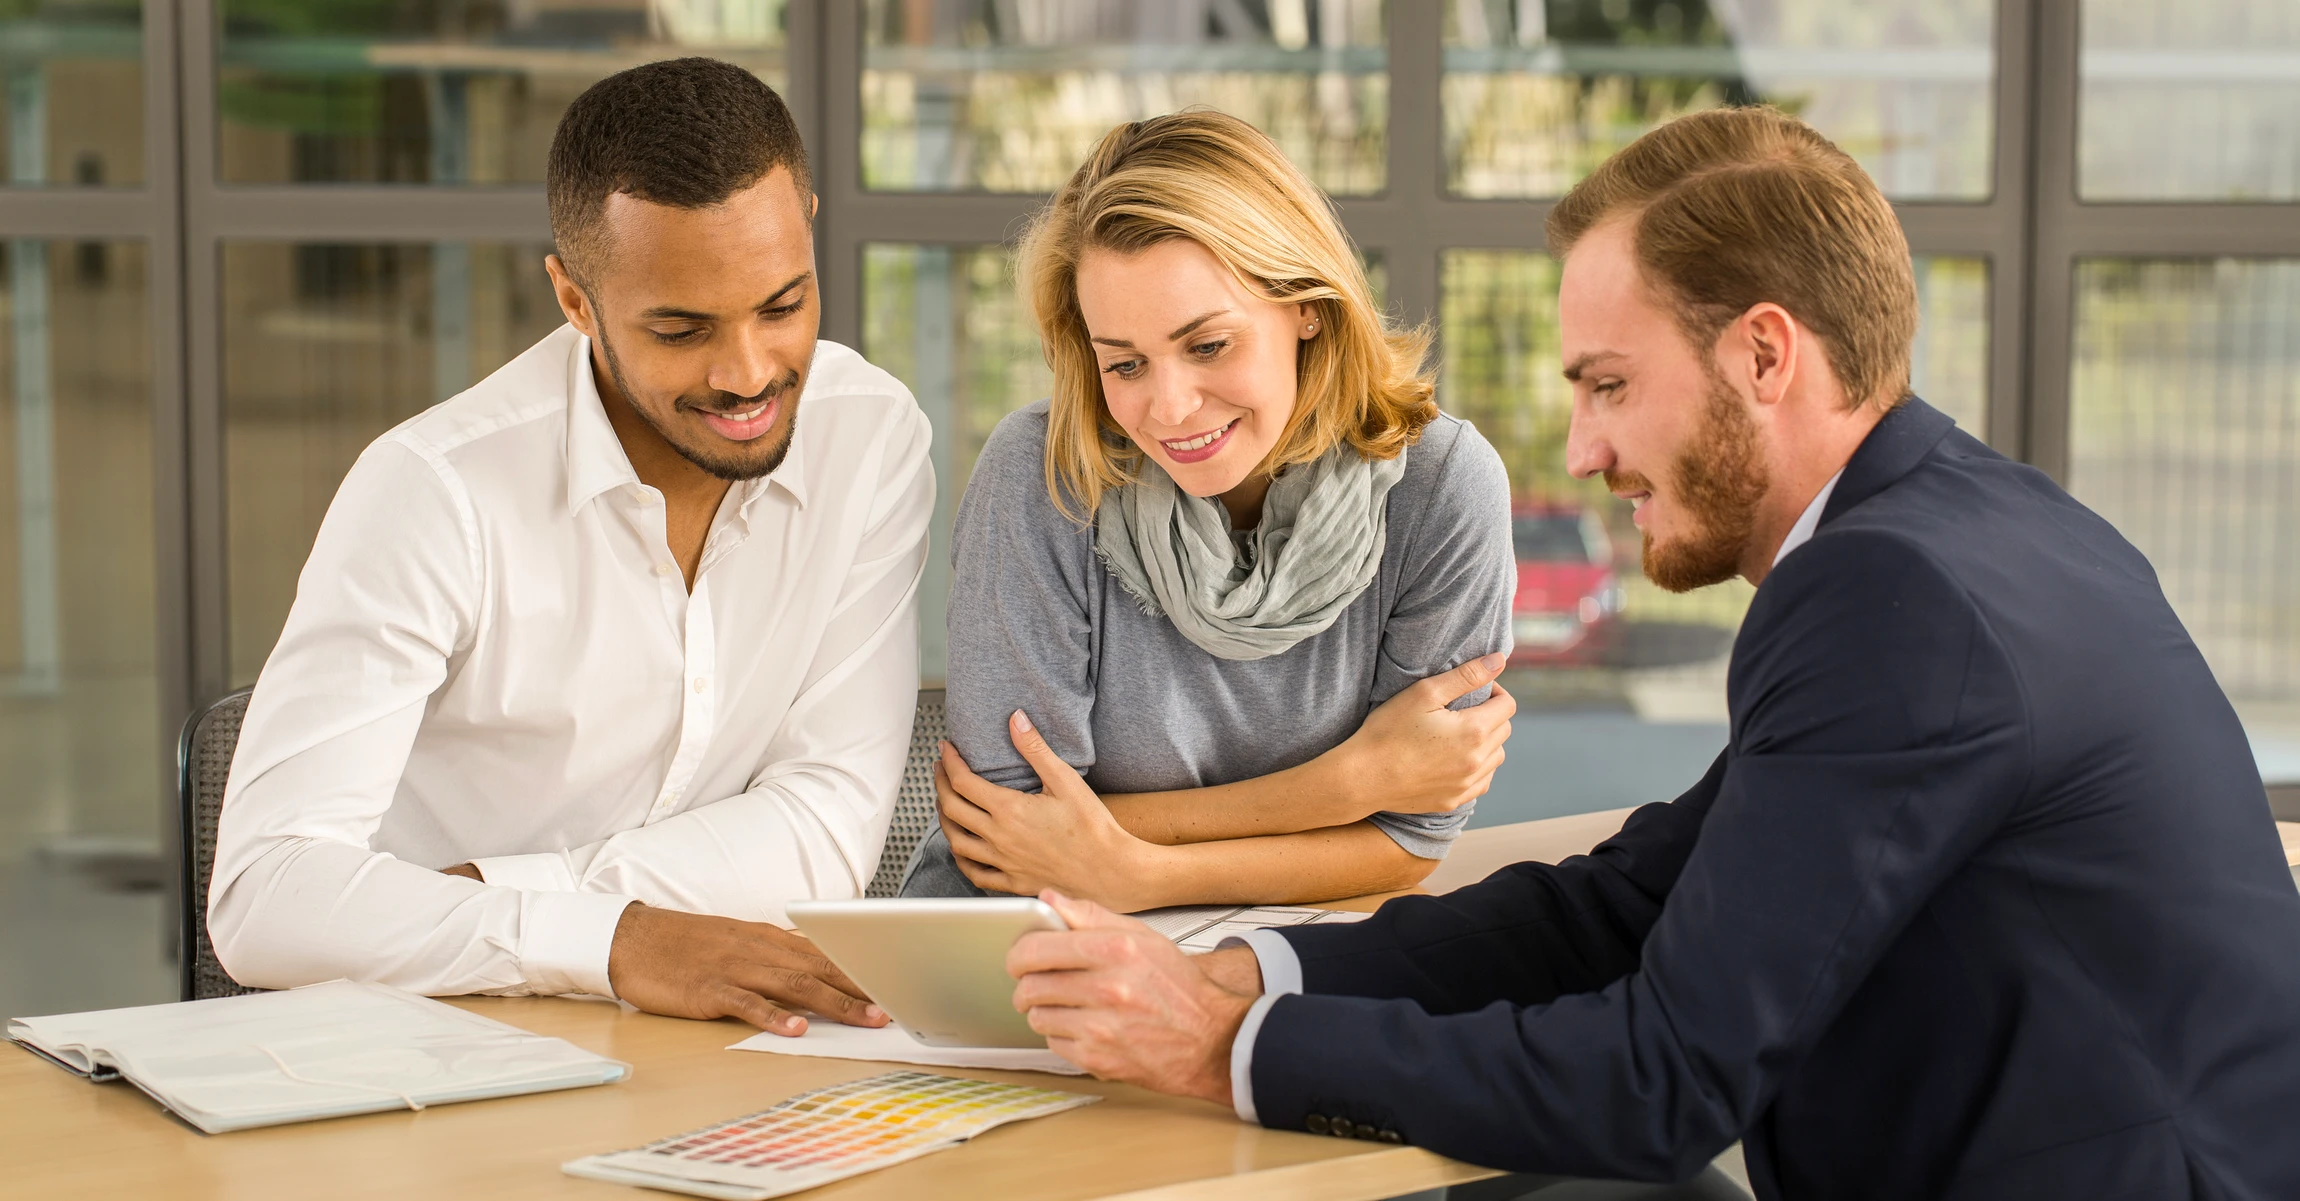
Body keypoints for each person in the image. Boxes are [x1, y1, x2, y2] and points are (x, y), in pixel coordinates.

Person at [1001, 106, 2300, 1199]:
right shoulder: (1974, 528)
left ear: (1765, 355)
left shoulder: (1892, 592)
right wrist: (1253, 969)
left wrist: (1234, 1041)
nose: (1578, 449)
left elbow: (1666, 1077)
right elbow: (1626, 903)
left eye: (1608, 384)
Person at [208, 59, 931, 1037]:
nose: (749, 372)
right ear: (575, 300)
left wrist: (528, 906)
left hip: (708, 1034)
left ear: (805, 221)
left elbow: (824, 830)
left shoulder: (870, 438)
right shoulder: (435, 490)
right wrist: (614, 941)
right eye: (680, 329)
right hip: (426, 1042)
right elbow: (266, 897)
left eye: (782, 304)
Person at [899, 111, 1517, 910]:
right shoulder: (1046, 474)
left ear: (1307, 306)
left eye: (1207, 345)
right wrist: (1345, 784)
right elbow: (1009, 840)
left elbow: (1409, 838)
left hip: (1276, 950)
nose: (1170, 408)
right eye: (1125, 363)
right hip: (1011, 942)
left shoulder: (1442, 488)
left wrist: (1141, 871)